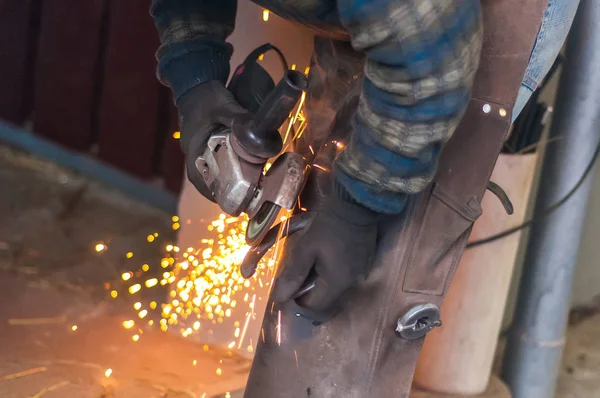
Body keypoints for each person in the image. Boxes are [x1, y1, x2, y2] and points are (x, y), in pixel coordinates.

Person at [151, 0, 578, 318]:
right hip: (399, 20)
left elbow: (432, 63)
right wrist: (196, 79)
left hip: (451, 30)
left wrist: (357, 209)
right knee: (318, 220)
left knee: (379, 268)